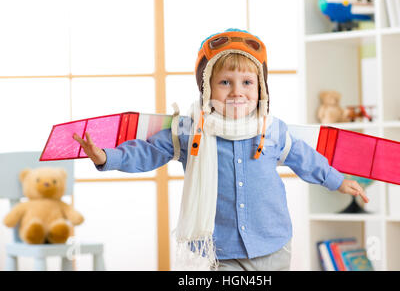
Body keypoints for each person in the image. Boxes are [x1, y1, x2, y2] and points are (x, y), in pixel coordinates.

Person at [73, 28, 369, 271]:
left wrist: (339, 181)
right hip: (220, 249)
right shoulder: (189, 130)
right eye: (225, 82)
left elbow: (307, 160)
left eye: (247, 82)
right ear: (206, 87)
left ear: (261, 89)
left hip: (273, 244)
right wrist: (106, 157)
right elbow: (146, 151)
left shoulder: (272, 129)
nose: (237, 91)